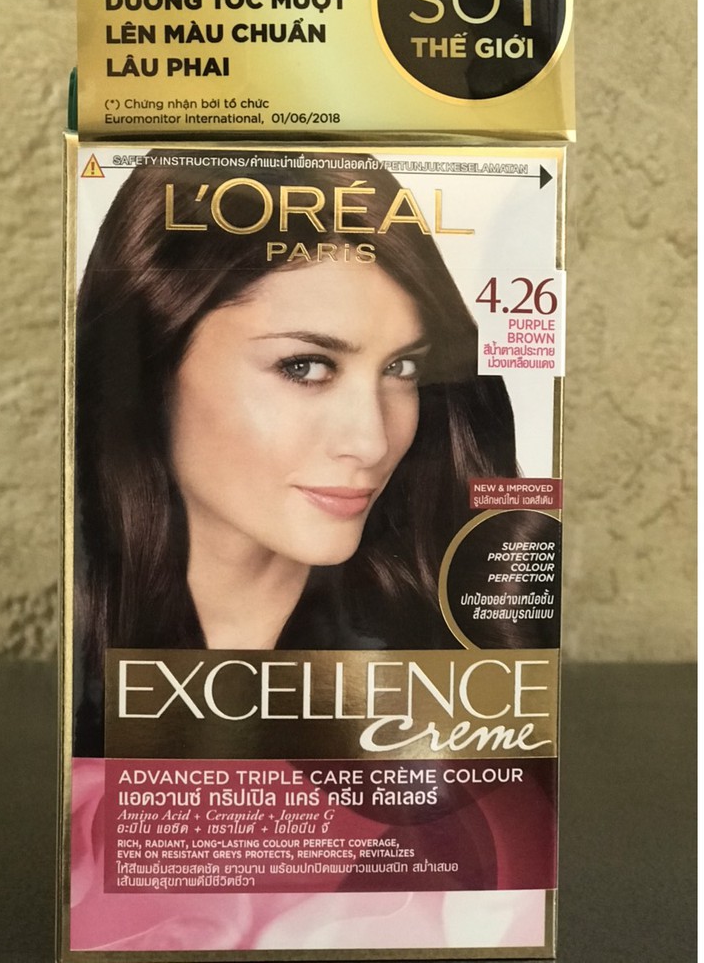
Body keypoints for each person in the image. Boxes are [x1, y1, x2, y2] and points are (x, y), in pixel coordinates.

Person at [73, 152, 527, 751]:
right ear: (149, 366)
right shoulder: (68, 638)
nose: (371, 442)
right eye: (305, 366)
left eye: (401, 368)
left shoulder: (458, 643)